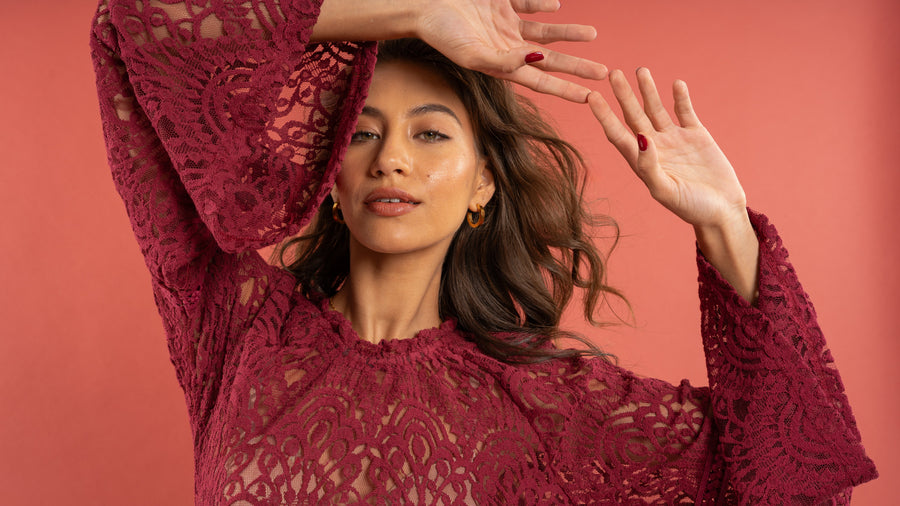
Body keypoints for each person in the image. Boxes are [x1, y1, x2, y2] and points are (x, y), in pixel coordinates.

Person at [90, 0, 876, 503]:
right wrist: (409, 11)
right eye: (362, 134)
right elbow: (130, 23)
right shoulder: (234, 330)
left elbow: (794, 484)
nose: (391, 159)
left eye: (430, 134)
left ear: (483, 185)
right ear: (331, 177)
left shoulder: (545, 409)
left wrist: (725, 225)